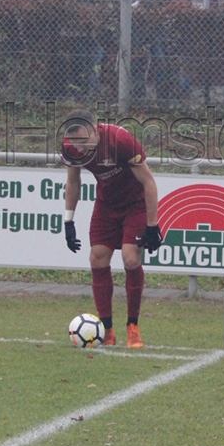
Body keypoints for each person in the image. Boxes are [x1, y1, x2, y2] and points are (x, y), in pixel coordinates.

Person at [60, 109, 163, 349]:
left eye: (84, 141)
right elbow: (73, 181)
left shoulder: (120, 140)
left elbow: (148, 181)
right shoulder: (70, 148)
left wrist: (152, 225)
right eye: (75, 143)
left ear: (96, 128)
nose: (80, 148)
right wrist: (68, 221)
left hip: (135, 204)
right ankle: (107, 330)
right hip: (106, 205)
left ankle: (133, 326)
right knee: (97, 258)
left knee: (130, 258)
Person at [130, 0, 189, 99]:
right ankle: (138, 98)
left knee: (160, 60)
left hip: (161, 25)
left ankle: (161, 98)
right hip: (137, 24)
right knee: (136, 61)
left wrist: (167, 11)